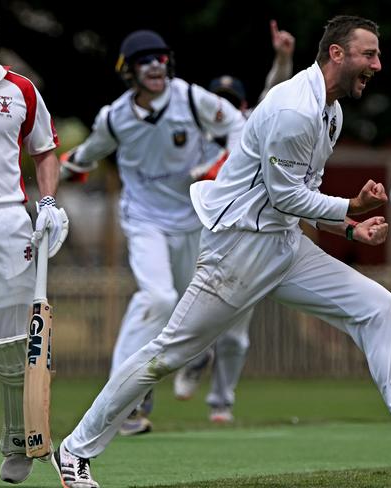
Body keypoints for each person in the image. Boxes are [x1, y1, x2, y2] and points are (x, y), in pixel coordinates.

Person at [52, 15, 391, 487]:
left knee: (376, 304)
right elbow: (284, 196)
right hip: (237, 247)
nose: (377, 64)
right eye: (368, 54)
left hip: (281, 242)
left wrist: (351, 229)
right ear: (336, 53)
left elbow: (300, 195)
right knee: (165, 355)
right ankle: (74, 450)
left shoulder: (330, 112)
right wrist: (350, 205)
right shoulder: (295, 110)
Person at [59, 29, 246, 436]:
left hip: (194, 218)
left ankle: (194, 355)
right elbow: (89, 152)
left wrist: (225, 166)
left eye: (161, 57)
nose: (156, 65)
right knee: (157, 297)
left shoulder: (192, 98)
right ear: (128, 70)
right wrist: (65, 169)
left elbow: (239, 126)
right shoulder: (115, 116)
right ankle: (123, 402)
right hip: (144, 221)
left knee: (195, 314)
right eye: (145, 60)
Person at [172, 20, 296, 424]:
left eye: (230, 99)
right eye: (217, 98)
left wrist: (282, 57)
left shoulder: (247, 127)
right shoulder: (188, 131)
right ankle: (195, 357)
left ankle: (221, 401)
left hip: (242, 237)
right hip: (195, 233)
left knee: (237, 332)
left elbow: (275, 90)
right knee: (187, 310)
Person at [0, 17, 69, 484]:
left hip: (6, 219)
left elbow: (45, 150)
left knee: (10, 342)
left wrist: (48, 201)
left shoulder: (18, 88)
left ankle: (19, 438)